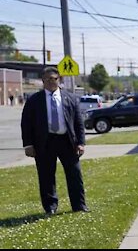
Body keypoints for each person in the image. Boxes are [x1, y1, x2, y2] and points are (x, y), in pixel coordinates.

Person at [21, 67, 89, 215]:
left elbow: (79, 123)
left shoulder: (70, 98)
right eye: (47, 79)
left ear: (59, 80)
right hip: (45, 143)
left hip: (67, 142)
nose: (51, 82)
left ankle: (79, 205)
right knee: (46, 176)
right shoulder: (34, 100)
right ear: (43, 81)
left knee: (75, 174)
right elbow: (26, 123)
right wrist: (28, 145)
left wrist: (81, 143)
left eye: (54, 79)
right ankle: (50, 207)